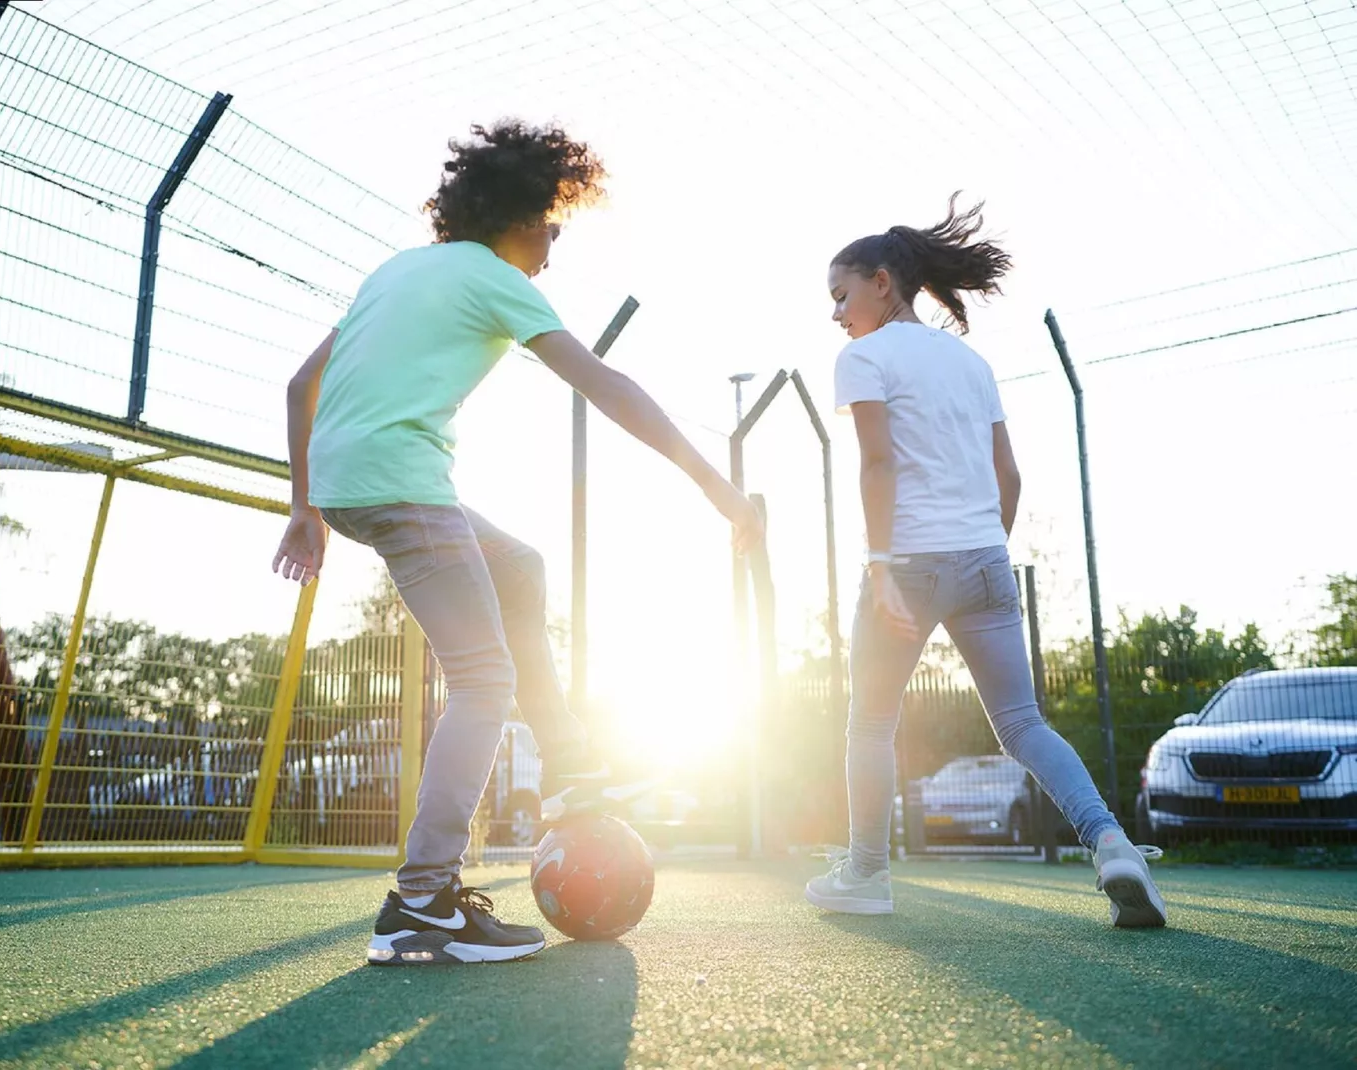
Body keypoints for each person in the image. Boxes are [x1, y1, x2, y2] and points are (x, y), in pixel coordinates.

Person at [273, 120, 763, 965]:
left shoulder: (396, 270)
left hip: (346, 485)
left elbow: (299, 383)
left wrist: (305, 506)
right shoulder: (495, 278)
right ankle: (422, 899)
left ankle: (570, 768)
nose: (553, 241)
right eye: (552, 223)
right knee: (483, 680)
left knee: (520, 568)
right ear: (519, 218)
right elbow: (605, 385)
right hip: (402, 485)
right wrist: (713, 483)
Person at [805, 196, 1166, 928]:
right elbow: (1011, 478)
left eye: (841, 296)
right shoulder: (969, 361)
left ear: (882, 282)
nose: (837, 315)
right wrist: (985, 556)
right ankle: (1111, 841)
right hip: (984, 561)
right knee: (1024, 724)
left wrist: (882, 568)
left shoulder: (863, 356)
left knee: (871, 725)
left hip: (908, 562)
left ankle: (866, 876)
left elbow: (878, 466)